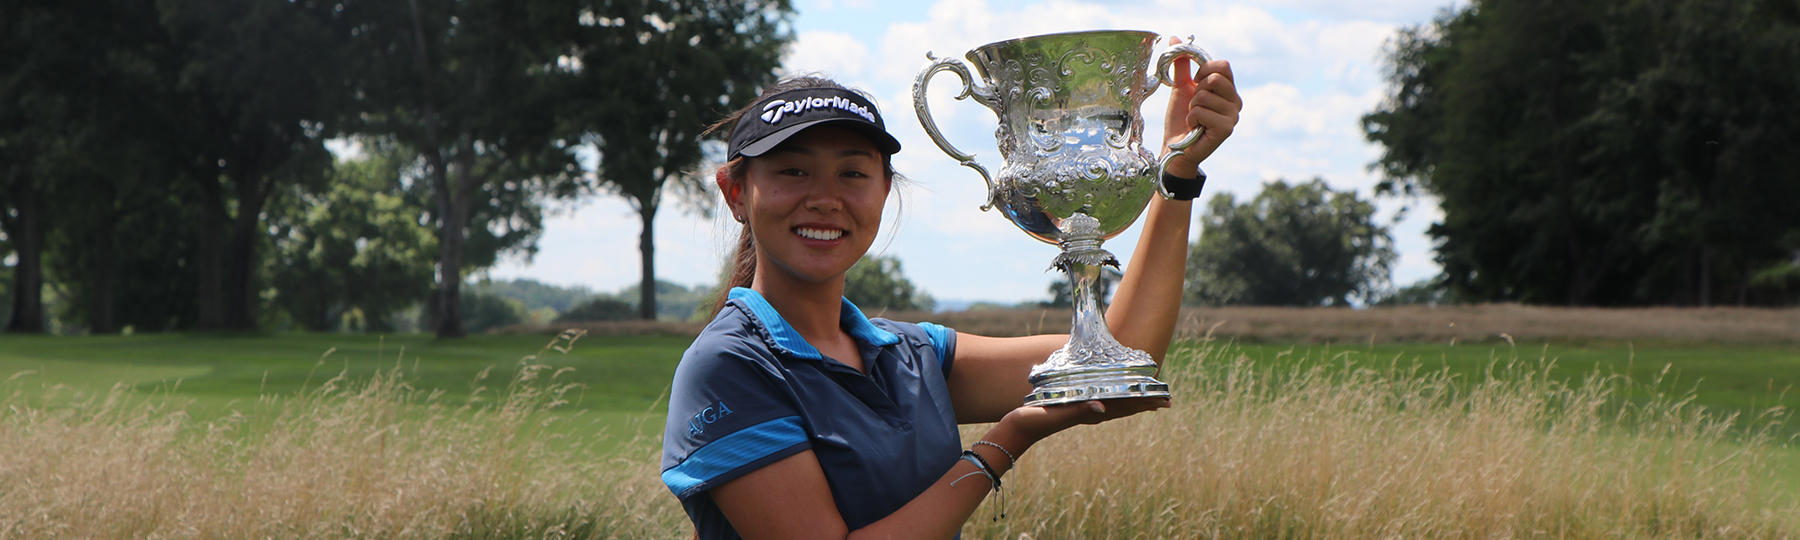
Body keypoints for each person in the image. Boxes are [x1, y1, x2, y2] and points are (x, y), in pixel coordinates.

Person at [661, 44, 1240, 540]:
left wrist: (1177, 168)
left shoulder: (911, 355)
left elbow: (1121, 352)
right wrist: (1007, 440)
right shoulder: (731, 364)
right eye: (792, 171)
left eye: (853, 173)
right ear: (736, 192)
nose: (824, 197)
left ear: (885, 191)